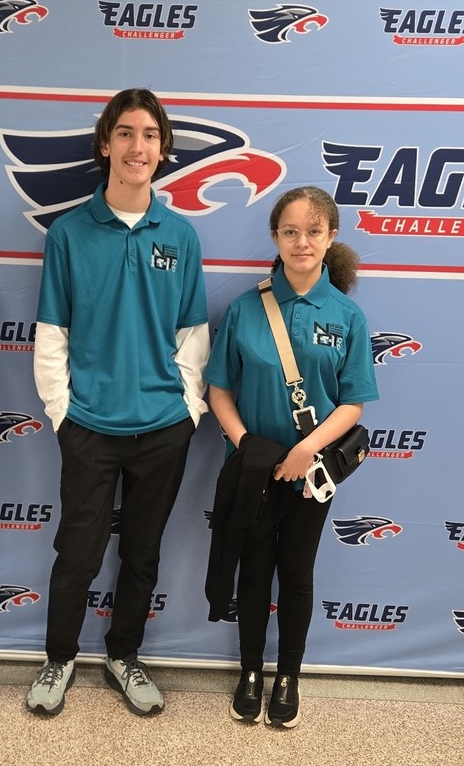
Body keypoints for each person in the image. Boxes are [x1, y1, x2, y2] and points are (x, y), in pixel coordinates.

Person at [27, 88, 209, 716]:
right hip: (90, 427)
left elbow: (192, 335)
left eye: (150, 135)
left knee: (142, 552)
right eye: (126, 133)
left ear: (163, 150)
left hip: (163, 426)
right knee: (77, 551)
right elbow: (52, 333)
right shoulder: (70, 234)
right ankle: (58, 660)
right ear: (106, 144)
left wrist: (187, 410)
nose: (139, 146)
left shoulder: (180, 236)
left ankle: (123, 655)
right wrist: (63, 414)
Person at [204, 186, 378, 729]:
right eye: (290, 231)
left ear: (331, 237)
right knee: (253, 571)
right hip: (255, 468)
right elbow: (219, 391)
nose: (301, 242)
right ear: (275, 237)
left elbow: (352, 403)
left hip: (312, 470)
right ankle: (251, 671)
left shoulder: (346, 315)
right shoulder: (245, 308)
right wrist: (245, 444)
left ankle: (289, 677)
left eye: (313, 231)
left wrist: (306, 449)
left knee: (296, 573)